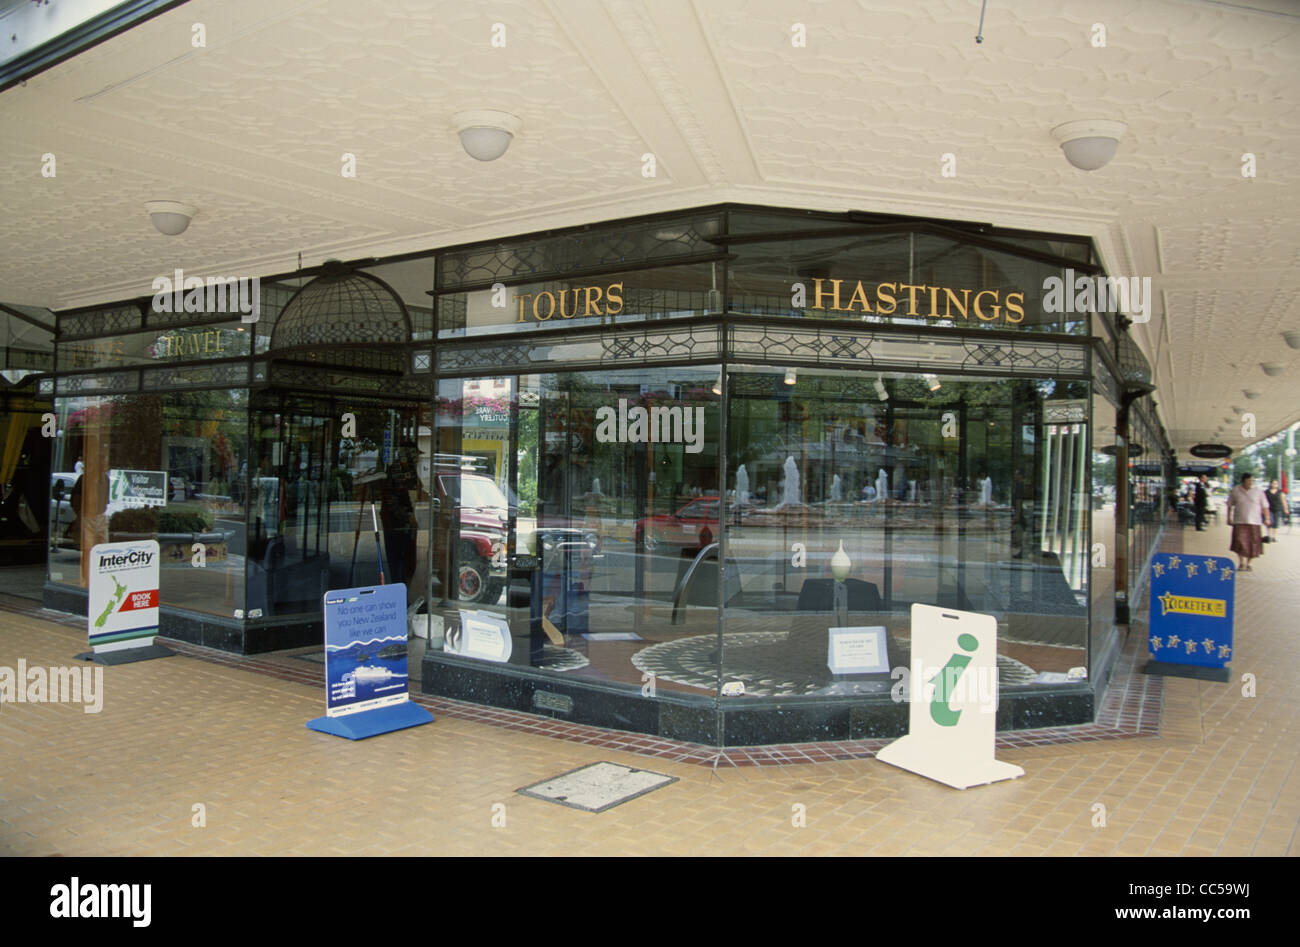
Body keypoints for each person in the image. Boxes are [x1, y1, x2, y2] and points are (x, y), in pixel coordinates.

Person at [1226, 472, 1269, 572]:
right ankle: (1242, 563)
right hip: (1239, 521)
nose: (1251, 482)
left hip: (1255, 522)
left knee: (1253, 543)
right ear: (1244, 480)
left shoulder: (1258, 491)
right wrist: (1228, 518)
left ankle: (1249, 564)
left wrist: (1267, 518)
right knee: (1239, 542)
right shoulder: (1236, 490)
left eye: (1252, 480)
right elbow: (1229, 505)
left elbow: (1265, 506)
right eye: (1249, 480)